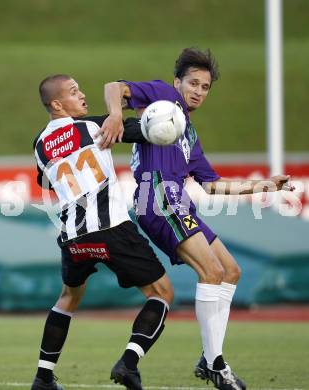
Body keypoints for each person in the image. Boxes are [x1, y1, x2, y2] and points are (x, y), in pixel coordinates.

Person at [98, 47, 294, 390]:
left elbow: (214, 186)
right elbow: (115, 87)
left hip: (180, 202)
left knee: (231, 270)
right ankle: (216, 363)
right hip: (157, 195)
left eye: (205, 87)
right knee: (212, 272)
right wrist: (115, 115)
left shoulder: (188, 134)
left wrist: (266, 185)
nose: (198, 91)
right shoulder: (164, 96)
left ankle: (210, 358)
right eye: (193, 83)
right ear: (178, 82)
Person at [31, 74, 173, 390]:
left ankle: (42, 377)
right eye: (73, 91)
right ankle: (129, 363)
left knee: (68, 297)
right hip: (111, 228)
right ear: (56, 104)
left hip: (73, 236)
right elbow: (147, 130)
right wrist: (171, 121)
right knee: (162, 293)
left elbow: (47, 180)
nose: (82, 95)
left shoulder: (39, 144)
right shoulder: (94, 128)